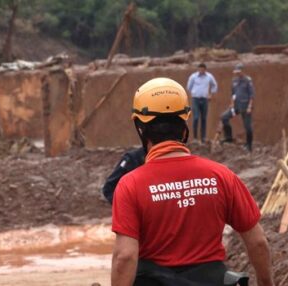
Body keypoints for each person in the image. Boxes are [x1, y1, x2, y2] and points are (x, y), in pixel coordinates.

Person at [111, 77, 273, 286]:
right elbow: (258, 242)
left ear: (140, 128)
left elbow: (125, 257)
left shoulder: (130, 185)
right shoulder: (221, 176)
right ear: (184, 124)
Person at [220, 63, 255, 152]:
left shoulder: (247, 80)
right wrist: (231, 103)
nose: (237, 74)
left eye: (239, 72)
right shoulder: (234, 81)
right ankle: (228, 137)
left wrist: (250, 107)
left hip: (245, 106)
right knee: (224, 117)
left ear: (242, 71)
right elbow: (233, 94)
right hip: (236, 106)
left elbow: (251, 95)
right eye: (236, 72)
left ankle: (249, 145)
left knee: (247, 126)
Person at [186, 63, 218, 143]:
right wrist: (192, 94)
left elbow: (214, 85)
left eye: (202, 69)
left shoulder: (209, 77)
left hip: (205, 99)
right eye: (199, 69)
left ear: (205, 69)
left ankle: (203, 137)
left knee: (203, 118)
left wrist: (211, 94)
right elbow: (188, 87)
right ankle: (196, 138)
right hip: (196, 99)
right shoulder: (193, 77)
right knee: (196, 117)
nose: (201, 71)